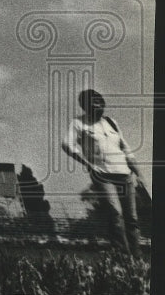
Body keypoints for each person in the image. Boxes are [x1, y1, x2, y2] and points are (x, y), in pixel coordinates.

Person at [61, 88, 145, 255]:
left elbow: (126, 149)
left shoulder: (111, 122)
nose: (99, 105)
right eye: (94, 102)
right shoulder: (78, 123)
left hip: (124, 175)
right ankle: (122, 258)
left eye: (100, 101)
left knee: (132, 219)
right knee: (115, 214)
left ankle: (137, 260)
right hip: (102, 175)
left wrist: (139, 174)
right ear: (85, 106)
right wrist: (86, 162)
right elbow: (66, 144)